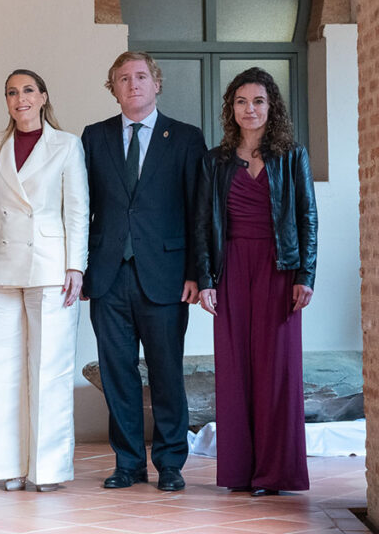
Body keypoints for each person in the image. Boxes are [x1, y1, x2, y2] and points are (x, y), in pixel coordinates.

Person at [81, 51, 206, 491]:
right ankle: (129, 463)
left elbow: (199, 212)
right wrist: (79, 269)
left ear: (156, 83)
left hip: (168, 275)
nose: (132, 84)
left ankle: (170, 464)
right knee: (118, 374)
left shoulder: (187, 138)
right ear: (112, 88)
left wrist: (197, 273)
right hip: (108, 276)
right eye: (122, 78)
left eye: (139, 76)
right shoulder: (93, 138)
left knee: (167, 372)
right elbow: (82, 209)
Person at [194, 67, 317, 497]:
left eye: (258, 101)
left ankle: (274, 473)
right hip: (230, 271)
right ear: (231, 108)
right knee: (234, 370)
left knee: (277, 370)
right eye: (242, 101)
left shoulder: (293, 155)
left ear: (272, 107)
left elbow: (307, 218)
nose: (250, 109)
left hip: (279, 270)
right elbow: (203, 225)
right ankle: (239, 472)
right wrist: (206, 278)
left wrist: (306, 274)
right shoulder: (214, 160)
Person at [0, 69, 89, 493]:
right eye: (11, 93)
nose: (20, 99)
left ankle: (48, 469)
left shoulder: (67, 144)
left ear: (43, 97)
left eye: (27, 91)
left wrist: (76, 266)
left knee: (50, 368)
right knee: (0, 369)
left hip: (51, 266)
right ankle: (9, 466)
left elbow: (77, 209)